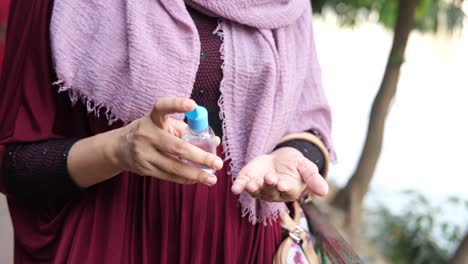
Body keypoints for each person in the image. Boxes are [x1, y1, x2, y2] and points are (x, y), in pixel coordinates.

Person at [0, 0, 335, 263]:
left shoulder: (289, 5)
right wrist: (118, 149)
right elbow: (13, 162)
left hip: (242, 243)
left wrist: (292, 158)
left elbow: (311, 126)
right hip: (112, 239)